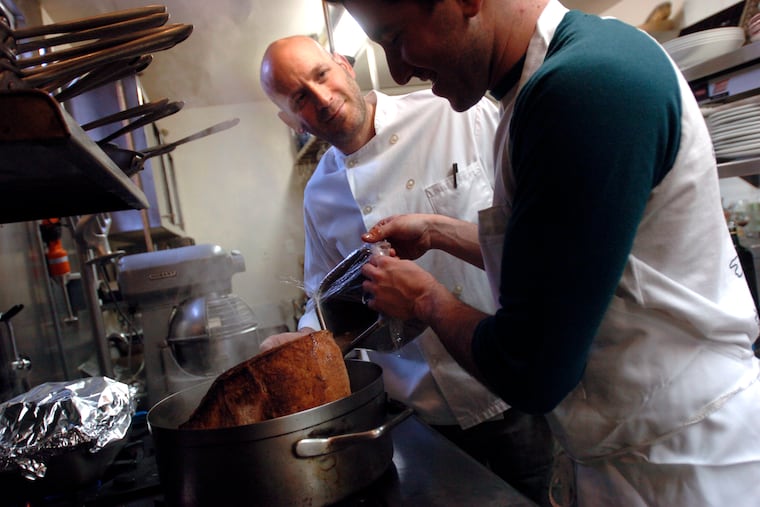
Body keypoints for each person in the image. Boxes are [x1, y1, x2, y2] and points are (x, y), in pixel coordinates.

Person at [323, 0, 760, 505]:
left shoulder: (582, 87)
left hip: (683, 465)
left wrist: (426, 299)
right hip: (637, 450)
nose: (397, 71)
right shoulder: (541, 85)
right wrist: (439, 231)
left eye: (397, 38)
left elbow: (529, 370)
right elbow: (572, 258)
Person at [258, 35, 556, 504]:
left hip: (507, 385)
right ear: (290, 119)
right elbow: (323, 299)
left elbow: (536, 237)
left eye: (321, 75)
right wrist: (302, 340)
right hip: (417, 412)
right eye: (300, 98)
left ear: (344, 65)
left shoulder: (454, 113)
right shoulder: (319, 194)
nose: (321, 98)